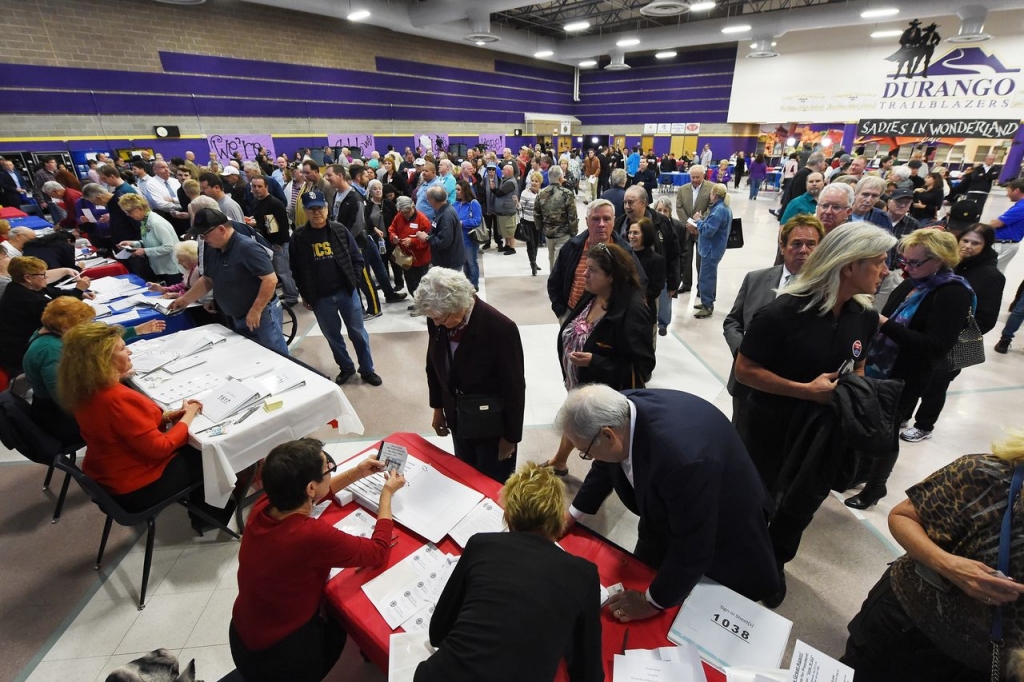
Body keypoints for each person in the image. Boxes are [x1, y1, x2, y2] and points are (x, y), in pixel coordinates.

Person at [734, 223, 896, 586]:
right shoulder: (782, 314)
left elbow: (858, 364)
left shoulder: (865, 316)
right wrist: (805, 390)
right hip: (771, 430)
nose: (886, 271)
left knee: (800, 507)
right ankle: (742, 560)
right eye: (880, 262)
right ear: (849, 266)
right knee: (758, 502)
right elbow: (745, 371)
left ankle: (773, 565)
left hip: (824, 437)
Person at [560, 384, 781, 619]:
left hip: (725, 520)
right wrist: (572, 515)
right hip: (668, 505)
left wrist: (651, 603)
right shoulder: (618, 410)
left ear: (608, 435)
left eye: (586, 452)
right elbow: (605, 464)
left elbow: (694, 547)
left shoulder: (681, 459)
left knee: (700, 601)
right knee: (648, 564)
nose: (589, 458)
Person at [841, 432, 1024, 681]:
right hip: (907, 628)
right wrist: (950, 566)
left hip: (986, 667)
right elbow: (902, 516)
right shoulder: (985, 474)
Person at [230, 439, 404, 682]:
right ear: (310, 488)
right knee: (341, 620)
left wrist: (357, 472)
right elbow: (377, 552)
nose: (331, 473)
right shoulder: (309, 535)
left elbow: (318, 494)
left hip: (244, 631)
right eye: (327, 470)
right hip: (280, 656)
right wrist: (386, 496)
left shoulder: (266, 503)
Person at [415, 462, 601, 682]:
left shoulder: (481, 545)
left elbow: (438, 633)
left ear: (509, 517)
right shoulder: (584, 574)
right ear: (558, 519)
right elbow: (588, 673)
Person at [846, 230, 977, 509]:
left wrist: (883, 323)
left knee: (888, 430)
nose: (907, 267)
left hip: (909, 375)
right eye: (905, 261)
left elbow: (937, 345)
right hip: (880, 367)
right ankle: (862, 471)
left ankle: (875, 487)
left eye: (915, 262)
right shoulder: (914, 282)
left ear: (940, 259)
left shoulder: (952, 292)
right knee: (870, 422)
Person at [57, 322, 232, 530]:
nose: (129, 351)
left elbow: (127, 429)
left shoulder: (85, 389)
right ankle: (210, 516)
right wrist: (190, 414)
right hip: (135, 487)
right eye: (122, 349)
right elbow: (162, 447)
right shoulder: (115, 399)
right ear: (102, 360)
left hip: (107, 476)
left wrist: (168, 417)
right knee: (210, 454)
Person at [546, 242, 655, 476]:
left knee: (603, 455)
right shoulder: (593, 295)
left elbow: (643, 367)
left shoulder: (633, 310)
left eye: (592, 270)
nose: (584, 274)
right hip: (580, 385)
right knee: (575, 417)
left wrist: (595, 362)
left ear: (612, 276)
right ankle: (560, 459)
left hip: (605, 397)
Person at [416, 268, 525, 482]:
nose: (436, 324)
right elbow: (434, 364)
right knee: (464, 475)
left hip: (490, 425)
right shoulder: (438, 317)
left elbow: (514, 388)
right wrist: (438, 407)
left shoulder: (500, 328)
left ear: (459, 305)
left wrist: (510, 438)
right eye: (432, 318)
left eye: (441, 318)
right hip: (458, 418)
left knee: (492, 483)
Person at [905, 224, 1005, 441]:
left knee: (937, 384)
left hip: (957, 341)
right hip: (930, 334)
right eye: (965, 241)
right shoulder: (951, 265)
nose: (968, 247)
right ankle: (904, 414)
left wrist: (953, 331)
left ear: (986, 246)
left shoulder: (992, 276)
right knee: (915, 376)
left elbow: (987, 317)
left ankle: (924, 425)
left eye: (975, 243)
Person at [724, 215, 824, 427]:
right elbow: (733, 321)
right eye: (796, 243)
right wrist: (742, 351)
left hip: (793, 393)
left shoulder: (826, 292)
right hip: (747, 386)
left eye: (811, 244)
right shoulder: (756, 278)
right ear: (782, 247)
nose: (803, 250)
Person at [23, 297, 164, 444]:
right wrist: (111, 379)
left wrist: (137, 330)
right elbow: (68, 400)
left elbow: (94, 341)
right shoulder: (51, 351)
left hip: (56, 408)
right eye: (85, 324)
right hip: (60, 418)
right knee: (133, 412)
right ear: (66, 328)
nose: (89, 327)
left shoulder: (47, 333)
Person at [290, 191, 381, 386]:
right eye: (312, 209)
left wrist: (353, 281)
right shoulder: (299, 237)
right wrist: (305, 294)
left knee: (358, 332)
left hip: (346, 293)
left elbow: (357, 259)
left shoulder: (339, 230)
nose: (317, 213)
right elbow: (296, 269)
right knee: (332, 336)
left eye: (320, 208)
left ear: (327, 208)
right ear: (305, 211)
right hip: (320, 298)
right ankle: (346, 368)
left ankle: (367, 369)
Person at [170, 209, 288, 356]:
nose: (203, 239)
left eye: (204, 235)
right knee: (252, 356)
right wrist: (185, 299)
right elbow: (208, 279)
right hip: (235, 315)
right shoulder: (213, 249)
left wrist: (256, 310)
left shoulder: (247, 248)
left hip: (259, 314)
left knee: (274, 355)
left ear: (221, 229)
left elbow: (270, 280)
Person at [0, 256, 90, 374]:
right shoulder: (26, 298)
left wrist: (79, 294)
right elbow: (64, 313)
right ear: (28, 278)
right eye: (42, 275)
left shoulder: (21, 286)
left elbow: (53, 292)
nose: (46, 277)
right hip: (24, 354)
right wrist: (78, 291)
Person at [247, 175, 299, 306]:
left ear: (266, 187)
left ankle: (292, 296)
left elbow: (278, 227)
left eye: (260, 186)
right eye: (254, 186)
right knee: (279, 271)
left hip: (278, 243)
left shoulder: (274, 204)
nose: (257, 189)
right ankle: (288, 292)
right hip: (268, 242)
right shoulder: (258, 202)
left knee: (284, 271)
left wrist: (278, 244)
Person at [116, 193, 182, 284]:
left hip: (172, 269)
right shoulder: (145, 221)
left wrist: (145, 251)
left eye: (129, 212)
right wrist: (133, 243)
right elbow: (153, 241)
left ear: (140, 208)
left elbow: (169, 246)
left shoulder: (156, 223)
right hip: (162, 267)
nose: (128, 215)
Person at [692, 182, 732, 319]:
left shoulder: (719, 210)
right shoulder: (723, 208)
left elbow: (708, 231)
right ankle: (707, 301)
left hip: (711, 249)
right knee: (710, 276)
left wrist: (698, 221)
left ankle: (707, 305)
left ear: (714, 195)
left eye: (711, 193)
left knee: (706, 277)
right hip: (714, 248)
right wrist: (703, 220)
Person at [388, 196, 432, 314]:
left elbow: (427, 240)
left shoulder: (423, 220)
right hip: (405, 257)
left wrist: (412, 241)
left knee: (420, 283)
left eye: (407, 212)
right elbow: (392, 229)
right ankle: (418, 303)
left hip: (420, 258)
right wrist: (394, 238)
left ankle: (423, 306)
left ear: (413, 207)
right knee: (409, 281)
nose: (406, 215)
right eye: (403, 213)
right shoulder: (399, 216)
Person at [675, 165, 711, 294]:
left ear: (703, 176)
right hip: (687, 230)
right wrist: (689, 224)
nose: (695, 179)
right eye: (693, 177)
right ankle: (686, 284)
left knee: (701, 261)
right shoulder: (683, 189)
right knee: (686, 258)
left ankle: (701, 288)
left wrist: (698, 224)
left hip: (703, 230)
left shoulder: (711, 188)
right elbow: (679, 208)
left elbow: (711, 208)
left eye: (697, 177)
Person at [534, 165, 578, 269]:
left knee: (551, 259)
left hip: (548, 233)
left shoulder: (541, 193)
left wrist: (540, 228)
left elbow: (536, 214)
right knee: (560, 262)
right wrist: (574, 232)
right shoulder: (567, 194)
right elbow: (572, 215)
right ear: (560, 178)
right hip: (563, 233)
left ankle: (552, 282)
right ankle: (557, 283)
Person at [627, 217, 665, 327]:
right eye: (630, 233)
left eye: (636, 233)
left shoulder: (656, 260)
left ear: (646, 235)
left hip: (644, 312)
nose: (631, 236)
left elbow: (655, 289)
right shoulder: (624, 256)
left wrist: (634, 297)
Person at [418, 185, 465, 271]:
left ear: (433, 200)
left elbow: (443, 241)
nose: (427, 201)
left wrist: (427, 238)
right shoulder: (442, 210)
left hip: (449, 263)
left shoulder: (446, 215)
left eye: (428, 199)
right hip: (446, 260)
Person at [452, 180, 483, 289]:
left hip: (470, 238)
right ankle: (468, 283)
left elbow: (477, 220)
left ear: (465, 190)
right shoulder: (455, 204)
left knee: (472, 262)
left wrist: (463, 223)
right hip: (459, 239)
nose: (456, 192)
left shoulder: (474, 203)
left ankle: (474, 285)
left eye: (459, 189)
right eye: (456, 189)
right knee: (464, 263)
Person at [518, 171, 542, 276]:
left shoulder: (541, 193)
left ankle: (534, 261)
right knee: (530, 243)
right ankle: (532, 264)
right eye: (532, 181)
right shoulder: (525, 193)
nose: (534, 183)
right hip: (526, 221)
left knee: (536, 243)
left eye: (536, 181)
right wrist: (516, 204)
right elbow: (520, 207)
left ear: (540, 182)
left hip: (537, 222)